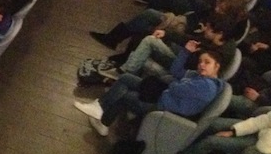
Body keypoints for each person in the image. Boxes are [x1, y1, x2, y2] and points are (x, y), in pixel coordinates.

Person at [74, 43, 223, 136]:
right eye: (200, 61)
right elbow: (175, 73)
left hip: (164, 108)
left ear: (217, 66)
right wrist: (185, 52)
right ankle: (100, 106)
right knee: (126, 78)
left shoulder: (206, 86)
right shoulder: (200, 77)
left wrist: (175, 83)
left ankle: (104, 124)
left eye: (207, 62)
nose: (201, 65)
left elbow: (176, 88)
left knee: (127, 97)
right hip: (162, 94)